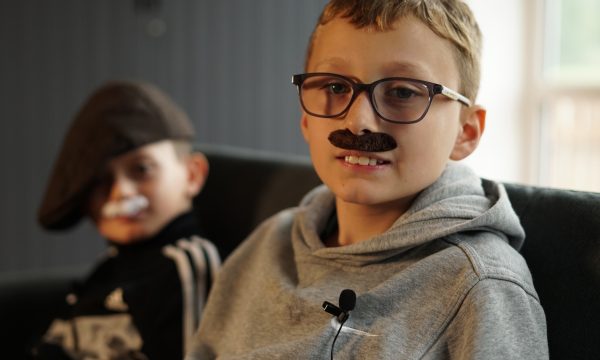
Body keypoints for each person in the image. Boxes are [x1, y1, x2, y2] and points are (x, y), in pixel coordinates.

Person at [186, 0, 549, 359]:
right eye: (334, 88)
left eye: (403, 92)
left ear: (466, 131)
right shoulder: (266, 245)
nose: (358, 121)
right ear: (306, 120)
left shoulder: (480, 286)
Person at [31, 80, 221, 360]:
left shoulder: (186, 267)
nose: (122, 193)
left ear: (192, 175)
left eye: (142, 169)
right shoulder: (110, 265)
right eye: (100, 181)